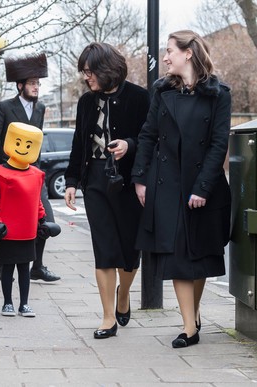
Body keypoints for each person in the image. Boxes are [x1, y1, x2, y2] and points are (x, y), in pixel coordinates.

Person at [131, 30, 232, 348]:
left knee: (199, 256)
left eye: (170, 51)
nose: (165, 57)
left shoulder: (219, 94)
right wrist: (140, 177)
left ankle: (194, 313)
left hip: (204, 185)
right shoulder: (162, 91)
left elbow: (218, 144)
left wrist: (203, 187)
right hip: (167, 184)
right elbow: (147, 134)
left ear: (188, 53)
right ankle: (189, 327)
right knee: (176, 257)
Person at [64, 42, 150, 339]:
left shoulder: (140, 98)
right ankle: (107, 317)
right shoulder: (86, 102)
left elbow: (150, 138)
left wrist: (130, 144)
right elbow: (79, 142)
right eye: (84, 72)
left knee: (129, 252)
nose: (86, 78)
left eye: (89, 72)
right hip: (96, 180)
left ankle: (123, 294)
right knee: (104, 250)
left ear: (106, 69)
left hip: (127, 181)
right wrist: (72, 181)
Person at [0, 52, 60, 282]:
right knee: (5, 223)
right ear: (20, 85)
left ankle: (38, 265)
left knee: (45, 221)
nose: (37, 87)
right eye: (33, 83)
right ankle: (2, 266)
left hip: (33, 175)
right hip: (8, 175)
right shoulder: (5, 108)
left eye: (38, 83)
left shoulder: (41, 108)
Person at [0, 122, 61, 317]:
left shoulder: (37, 175)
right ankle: (7, 303)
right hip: (6, 231)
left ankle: (24, 304)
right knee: (7, 269)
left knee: (25, 268)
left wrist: (43, 220)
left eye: (29, 145)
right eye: (19, 142)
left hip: (27, 231)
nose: (23, 148)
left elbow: (37, 202)